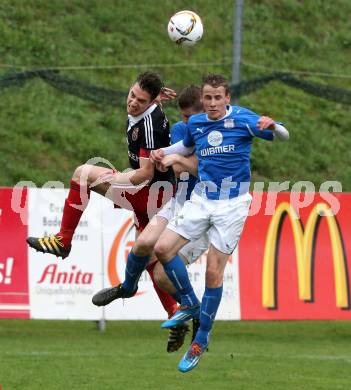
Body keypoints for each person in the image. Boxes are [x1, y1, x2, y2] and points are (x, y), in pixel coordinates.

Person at [150, 74, 289, 372]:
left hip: (232, 205)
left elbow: (284, 135)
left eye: (217, 98)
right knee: (162, 249)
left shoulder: (242, 119)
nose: (212, 103)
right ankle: (190, 304)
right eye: (208, 98)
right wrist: (164, 153)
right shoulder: (196, 123)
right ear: (203, 99)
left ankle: (200, 340)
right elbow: (184, 148)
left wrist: (274, 126)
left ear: (227, 98)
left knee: (214, 272)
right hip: (202, 198)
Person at [26, 71, 181, 337]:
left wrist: (116, 179)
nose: (132, 102)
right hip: (159, 197)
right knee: (147, 259)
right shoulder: (150, 109)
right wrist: (156, 97)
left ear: (150, 102)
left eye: (140, 100)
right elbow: (152, 112)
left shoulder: (148, 124)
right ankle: (175, 313)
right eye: (132, 95)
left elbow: (145, 173)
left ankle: (63, 241)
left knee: (82, 174)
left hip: (150, 191)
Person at [92, 85, 209, 352]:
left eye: (192, 118)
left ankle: (197, 315)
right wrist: (161, 156)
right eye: (186, 118)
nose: (188, 124)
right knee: (143, 246)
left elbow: (201, 168)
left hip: (202, 212)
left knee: (161, 274)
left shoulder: (218, 136)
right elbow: (167, 151)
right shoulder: (181, 130)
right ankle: (128, 287)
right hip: (175, 201)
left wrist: (175, 159)